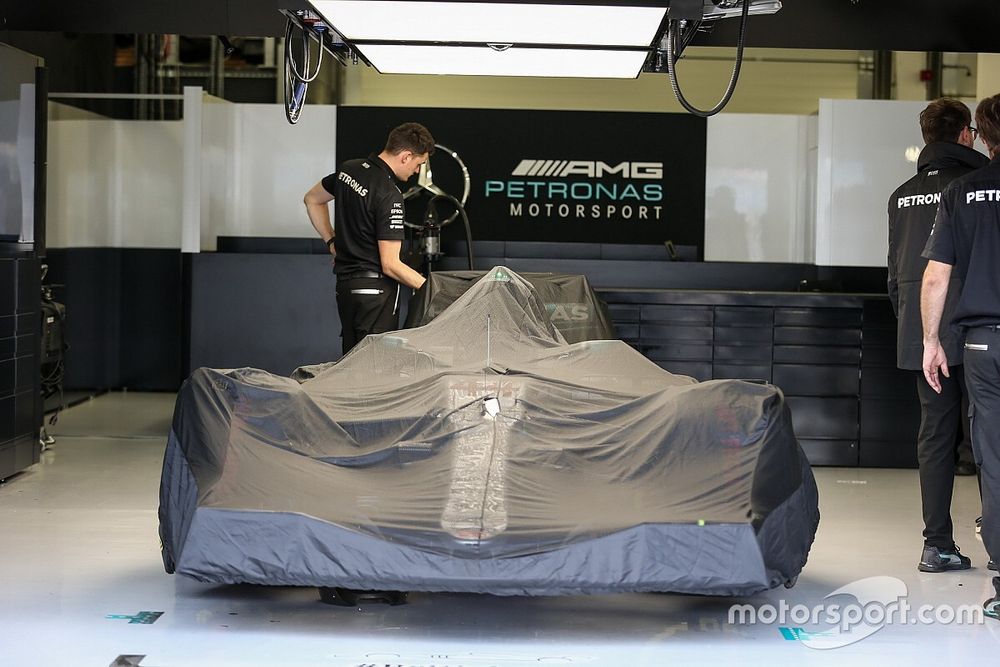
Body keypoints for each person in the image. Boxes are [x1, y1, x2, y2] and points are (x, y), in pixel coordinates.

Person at [887, 98, 988, 573]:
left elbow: (895, 274)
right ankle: (994, 539)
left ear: (926, 137)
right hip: (977, 326)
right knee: (988, 436)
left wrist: (916, 328)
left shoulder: (901, 195)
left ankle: (936, 542)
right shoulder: (975, 185)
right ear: (966, 134)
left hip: (922, 330)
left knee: (934, 436)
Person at [921, 93, 1000, 620]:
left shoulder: (962, 191)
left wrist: (930, 341)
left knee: (994, 461)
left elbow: (936, 275)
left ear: (984, 135)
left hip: (983, 344)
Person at [304, 122, 433, 355]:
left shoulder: (349, 170)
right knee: (375, 373)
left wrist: (331, 242)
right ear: (406, 156)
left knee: (351, 367)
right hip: (375, 295)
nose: (417, 172)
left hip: (345, 289)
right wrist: (432, 288)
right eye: (418, 164)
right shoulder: (389, 194)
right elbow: (390, 264)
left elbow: (312, 199)